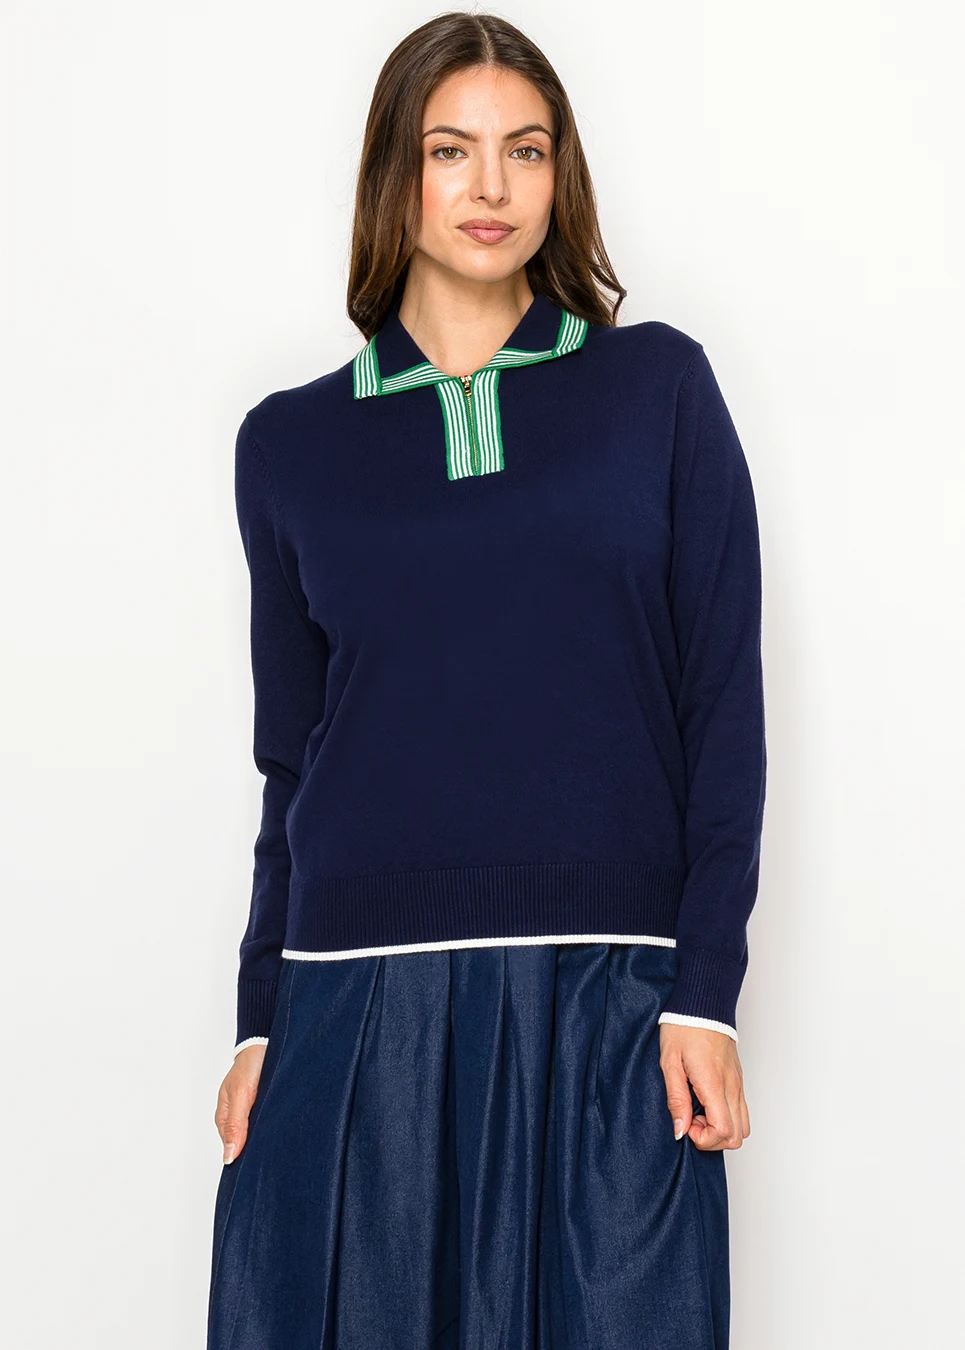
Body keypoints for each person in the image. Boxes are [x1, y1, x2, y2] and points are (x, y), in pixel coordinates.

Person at [207, 11, 766, 1350]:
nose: (491, 186)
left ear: (560, 174)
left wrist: (704, 987)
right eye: (450, 150)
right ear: (394, 175)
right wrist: (257, 1020)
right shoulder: (288, 445)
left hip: (608, 998)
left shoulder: (657, 391)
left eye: (526, 149)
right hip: (355, 1005)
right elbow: (293, 764)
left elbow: (724, 709)